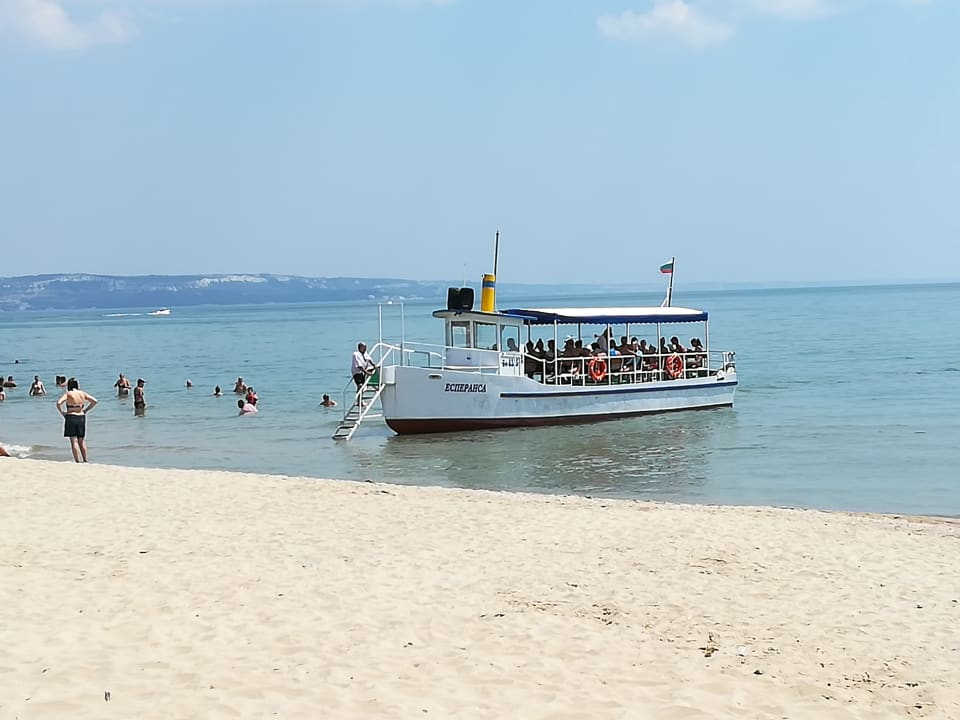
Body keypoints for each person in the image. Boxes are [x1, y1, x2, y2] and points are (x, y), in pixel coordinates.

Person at [56, 378, 97, 463]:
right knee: (81, 440)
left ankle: (77, 461)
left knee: (73, 440)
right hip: (81, 417)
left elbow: (59, 403)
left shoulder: (68, 394)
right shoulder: (82, 393)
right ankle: (85, 460)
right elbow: (94, 401)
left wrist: (62, 413)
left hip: (71, 417)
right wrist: (86, 410)